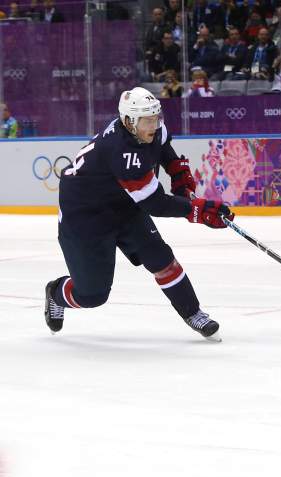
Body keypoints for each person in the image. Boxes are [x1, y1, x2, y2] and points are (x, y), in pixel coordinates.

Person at [44, 87, 233, 340]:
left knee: (160, 258)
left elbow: (163, 147)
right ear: (128, 121)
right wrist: (197, 210)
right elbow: (154, 203)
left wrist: (177, 173)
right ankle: (56, 292)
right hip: (86, 215)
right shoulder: (122, 151)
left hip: (123, 203)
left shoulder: (148, 130)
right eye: (147, 120)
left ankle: (193, 313)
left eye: (156, 118)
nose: (154, 125)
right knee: (92, 295)